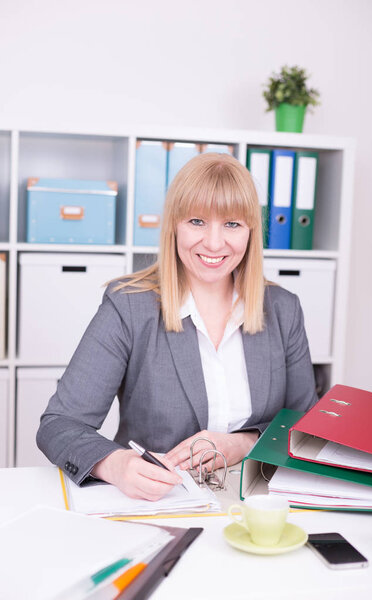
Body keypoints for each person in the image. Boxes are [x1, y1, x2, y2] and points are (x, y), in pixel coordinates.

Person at [37, 152, 317, 501]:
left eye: (232, 224)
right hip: (161, 504)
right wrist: (114, 463)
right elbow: (59, 424)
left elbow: (307, 427)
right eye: (197, 221)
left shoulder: (284, 309)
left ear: (250, 232)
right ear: (174, 225)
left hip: (260, 503)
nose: (214, 243)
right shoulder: (128, 305)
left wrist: (242, 443)